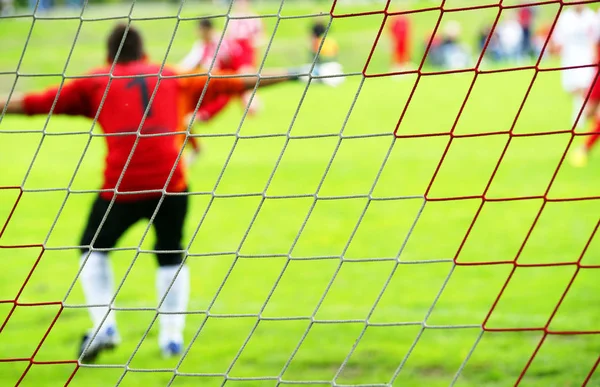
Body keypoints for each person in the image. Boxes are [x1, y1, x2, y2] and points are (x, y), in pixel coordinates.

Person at [0, 23, 308, 363]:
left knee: (92, 247)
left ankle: (105, 325)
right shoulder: (171, 75)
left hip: (123, 185)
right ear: (143, 51)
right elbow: (232, 81)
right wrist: (296, 73)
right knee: (171, 251)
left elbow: (36, 102)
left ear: (109, 54)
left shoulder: (97, 80)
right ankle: (172, 338)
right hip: (171, 182)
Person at [551, 4, 599, 129]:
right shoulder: (564, 17)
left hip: (588, 57)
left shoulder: (592, 16)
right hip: (570, 58)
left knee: (586, 87)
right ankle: (583, 115)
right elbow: (558, 40)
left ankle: (581, 117)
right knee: (575, 89)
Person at [224, 0, 265, 114]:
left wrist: (253, 44)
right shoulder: (231, 17)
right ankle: (249, 105)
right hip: (235, 51)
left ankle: (253, 106)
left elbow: (261, 36)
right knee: (239, 80)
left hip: (247, 50)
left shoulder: (254, 17)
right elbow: (227, 35)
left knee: (247, 78)